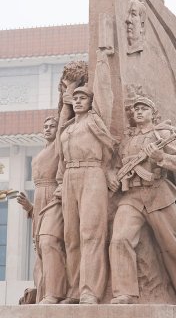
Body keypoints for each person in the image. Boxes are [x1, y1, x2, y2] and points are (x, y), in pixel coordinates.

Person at [108, 96, 176, 309]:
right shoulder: (128, 140)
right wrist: (113, 176)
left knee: (174, 244)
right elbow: (115, 167)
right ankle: (124, 292)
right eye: (136, 110)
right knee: (119, 239)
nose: (139, 112)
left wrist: (160, 157)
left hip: (157, 193)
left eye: (144, 108)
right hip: (131, 196)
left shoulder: (163, 134)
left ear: (153, 113)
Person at [56, 49, 116, 305]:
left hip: (93, 173)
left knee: (91, 233)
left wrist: (103, 59)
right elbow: (59, 147)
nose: (78, 101)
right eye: (76, 98)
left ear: (91, 102)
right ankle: (74, 290)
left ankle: (90, 290)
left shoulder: (95, 121)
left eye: (83, 98)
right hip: (70, 176)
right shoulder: (69, 127)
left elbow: (104, 93)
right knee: (72, 236)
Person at [17, 116, 67, 304]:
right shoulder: (41, 152)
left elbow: (64, 119)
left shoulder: (58, 148)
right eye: (45, 126)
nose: (48, 129)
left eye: (52, 126)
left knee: (49, 243)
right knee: (40, 250)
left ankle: (55, 292)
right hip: (39, 198)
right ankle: (43, 293)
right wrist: (30, 207)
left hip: (54, 195)